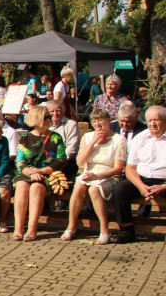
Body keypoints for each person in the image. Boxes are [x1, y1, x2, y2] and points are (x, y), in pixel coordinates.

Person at [61, 109, 127, 244]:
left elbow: (118, 168)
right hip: (89, 172)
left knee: (94, 189)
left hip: (108, 174)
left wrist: (97, 176)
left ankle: (104, 230)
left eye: (101, 120)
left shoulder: (119, 139)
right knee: (78, 187)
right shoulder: (88, 137)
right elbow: (80, 162)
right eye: (94, 121)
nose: (98, 124)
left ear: (109, 122)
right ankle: (71, 226)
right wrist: (93, 143)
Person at [111, 105, 166, 244]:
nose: (152, 124)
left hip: (164, 181)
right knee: (120, 190)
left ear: (164, 120)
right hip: (143, 179)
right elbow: (130, 168)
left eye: (156, 120)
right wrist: (141, 186)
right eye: (149, 120)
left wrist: (164, 187)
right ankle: (127, 230)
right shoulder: (140, 138)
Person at [12, 105, 67, 241]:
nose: (50, 119)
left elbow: (61, 160)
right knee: (21, 186)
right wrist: (30, 172)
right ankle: (18, 227)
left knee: (36, 187)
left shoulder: (56, 138)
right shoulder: (25, 138)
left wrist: (41, 171)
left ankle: (32, 228)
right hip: (27, 172)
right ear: (37, 119)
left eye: (49, 117)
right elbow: (19, 161)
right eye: (46, 117)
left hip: (48, 173)